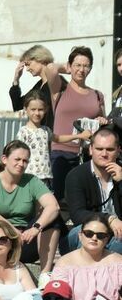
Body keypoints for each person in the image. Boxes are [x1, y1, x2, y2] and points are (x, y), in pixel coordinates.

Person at [0, 140, 60, 275]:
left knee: (53, 219)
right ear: (4, 159)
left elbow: (53, 206)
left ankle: (45, 275)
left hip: (25, 240)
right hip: (0, 239)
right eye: (17, 159)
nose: (21, 164)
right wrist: (10, 229)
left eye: (25, 161)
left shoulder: (32, 181)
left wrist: (36, 228)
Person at [50, 46, 105, 201]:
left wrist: (101, 120)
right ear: (69, 66)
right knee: (57, 198)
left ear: (91, 68)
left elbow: (103, 122)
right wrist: (65, 68)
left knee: (85, 199)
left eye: (86, 65)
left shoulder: (97, 95)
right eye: (77, 65)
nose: (81, 69)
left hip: (88, 155)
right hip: (61, 152)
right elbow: (50, 68)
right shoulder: (59, 89)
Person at [62, 127, 122, 253]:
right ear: (90, 150)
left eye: (110, 149)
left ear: (118, 151)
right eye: (99, 149)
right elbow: (77, 214)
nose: (104, 154)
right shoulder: (76, 175)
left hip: (118, 232)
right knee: (81, 234)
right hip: (87, 228)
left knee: (118, 243)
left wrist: (121, 182)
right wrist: (108, 219)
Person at [8, 45, 62, 113]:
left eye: (28, 64)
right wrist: (16, 80)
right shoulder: (39, 86)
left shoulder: (57, 82)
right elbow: (17, 105)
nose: (27, 69)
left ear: (41, 59)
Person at [17, 96, 53, 190]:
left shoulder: (46, 130)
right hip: (28, 178)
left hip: (45, 177)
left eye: (40, 109)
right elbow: (16, 153)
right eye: (33, 109)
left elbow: (58, 138)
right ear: (26, 109)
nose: (37, 113)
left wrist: (78, 136)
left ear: (46, 110)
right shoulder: (23, 132)